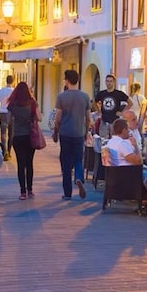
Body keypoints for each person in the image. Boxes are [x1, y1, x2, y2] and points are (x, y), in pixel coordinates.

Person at [104, 119, 147, 216]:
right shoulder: (121, 144)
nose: (129, 132)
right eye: (127, 129)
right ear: (124, 130)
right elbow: (138, 162)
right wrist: (135, 146)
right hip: (133, 176)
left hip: (126, 174)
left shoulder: (111, 142)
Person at [52, 69, 90, 201]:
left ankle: (67, 193)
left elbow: (58, 117)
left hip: (65, 133)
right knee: (78, 159)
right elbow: (88, 118)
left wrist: (56, 131)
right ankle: (79, 178)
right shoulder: (85, 96)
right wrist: (86, 131)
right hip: (79, 132)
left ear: (67, 80)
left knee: (66, 161)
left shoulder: (62, 97)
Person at [7, 82, 39, 200]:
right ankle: (30, 190)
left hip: (18, 137)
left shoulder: (12, 104)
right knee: (29, 163)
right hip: (30, 136)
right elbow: (39, 118)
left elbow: (9, 121)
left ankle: (22, 192)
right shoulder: (32, 103)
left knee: (21, 164)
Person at [95, 74, 131, 139]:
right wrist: (99, 110)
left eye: (110, 81)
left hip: (115, 121)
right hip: (104, 120)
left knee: (115, 139)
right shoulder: (102, 93)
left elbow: (130, 103)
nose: (109, 83)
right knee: (103, 140)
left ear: (114, 82)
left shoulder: (119, 93)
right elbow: (95, 102)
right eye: (107, 81)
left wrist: (122, 112)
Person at [0, 75, 14, 160]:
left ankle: (4, 151)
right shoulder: (14, 91)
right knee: (11, 134)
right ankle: (9, 152)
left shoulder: (0, 91)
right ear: (13, 81)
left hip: (2, 113)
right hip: (11, 113)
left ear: (6, 81)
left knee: (3, 134)